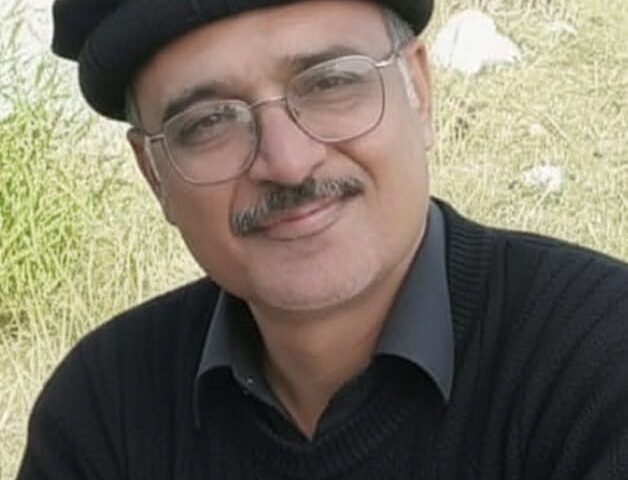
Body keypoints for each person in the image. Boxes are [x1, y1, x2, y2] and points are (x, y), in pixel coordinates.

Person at [17, 0, 628, 478]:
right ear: (154, 176)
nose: (287, 162)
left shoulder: (599, 363)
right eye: (209, 122)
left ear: (419, 94)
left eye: (330, 84)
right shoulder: (105, 412)